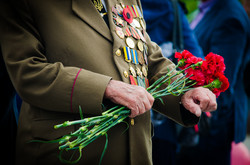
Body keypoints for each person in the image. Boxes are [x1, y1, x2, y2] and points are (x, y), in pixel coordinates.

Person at [0, 0, 217, 164]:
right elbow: (28, 71)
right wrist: (106, 88)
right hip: (69, 152)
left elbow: (147, 57)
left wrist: (183, 94)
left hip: (136, 151)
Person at [177, 0, 250, 164]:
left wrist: (203, 127)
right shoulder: (207, 9)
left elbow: (223, 83)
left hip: (211, 126)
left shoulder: (230, 17)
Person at [140, 0, 204, 164]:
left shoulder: (118, 6)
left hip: (123, 111)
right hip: (166, 114)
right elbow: (197, 59)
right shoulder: (173, 7)